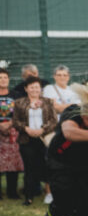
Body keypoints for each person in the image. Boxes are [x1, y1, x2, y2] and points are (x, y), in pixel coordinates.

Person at [12, 77, 57, 206]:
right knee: (29, 168)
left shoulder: (48, 102)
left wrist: (43, 130)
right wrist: (26, 128)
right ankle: (29, 196)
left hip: (44, 139)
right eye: (31, 87)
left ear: (40, 89)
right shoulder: (20, 103)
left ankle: (49, 193)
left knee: (47, 165)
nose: (34, 90)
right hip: (27, 139)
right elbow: (15, 121)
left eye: (37, 87)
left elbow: (54, 120)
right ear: (26, 89)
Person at [0, 68, 23, 200]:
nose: (3, 80)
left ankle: (12, 191)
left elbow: (21, 113)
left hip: (12, 133)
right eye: (0, 77)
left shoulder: (16, 95)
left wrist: (10, 124)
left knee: (12, 163)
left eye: (5, 77)